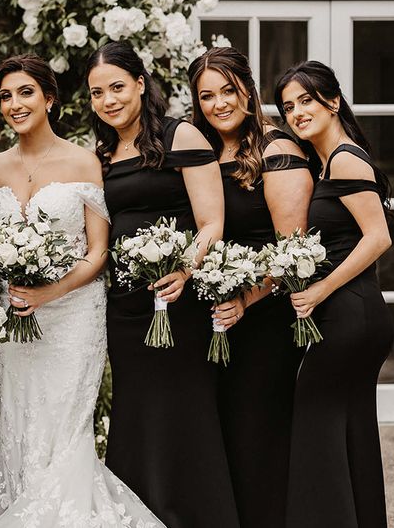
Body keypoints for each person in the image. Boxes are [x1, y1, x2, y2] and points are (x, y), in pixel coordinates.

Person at [0, 54, 163, 527]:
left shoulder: (84, 160)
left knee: (65, 430)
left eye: (26, 93)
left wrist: (49, 292)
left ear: (50, 98)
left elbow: (98, 252)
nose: (16, 104)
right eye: (5, 96)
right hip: (14, 318)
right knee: (20, 424)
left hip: (73, 318)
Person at [86, 41, 238, 528]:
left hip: (181, 300)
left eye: (116, 87)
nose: (108, 100)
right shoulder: (102, 154)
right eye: (96, 93)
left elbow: (212, 221)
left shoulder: (183, 136)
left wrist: (186, 269)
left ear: (139, 84)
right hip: (126, 308)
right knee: (137, 415)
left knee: (185, 412)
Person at [188, 47, 313, 528]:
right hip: (212, 319)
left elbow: (294, 249)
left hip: (263, 321)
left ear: (247, 89)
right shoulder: (203, 151)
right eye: (206, 96)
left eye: (228, 91)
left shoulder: (277, 150)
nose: (218, 103)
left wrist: (245, 299)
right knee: (220, 440)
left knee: (256, 438)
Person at [275, 60, 394, 528]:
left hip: (349, 313)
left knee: (317, 433)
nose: (297, 113)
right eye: (288, 107)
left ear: (333, 100)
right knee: (351, 433)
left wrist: (321, 287)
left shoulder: (345, 157)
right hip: (356, 314)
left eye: (306, 100)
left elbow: (378, 237)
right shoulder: (328, 161)